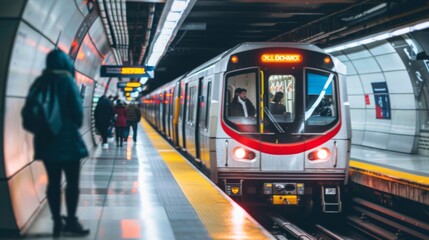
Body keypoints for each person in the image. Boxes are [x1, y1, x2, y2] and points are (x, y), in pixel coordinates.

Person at [26, 49, 89, 237]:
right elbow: (78, 115)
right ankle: (70, 221)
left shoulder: (39, 82)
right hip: (68, 142)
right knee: (72, 184)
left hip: (46, 143)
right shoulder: (67, 81)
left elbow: (30, 112)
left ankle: (56, 222)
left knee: (53, 183)